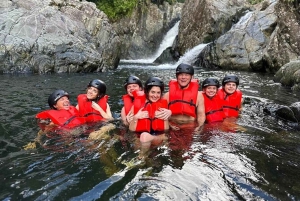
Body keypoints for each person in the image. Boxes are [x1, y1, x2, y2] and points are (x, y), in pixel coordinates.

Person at [129, 77, 170, 158]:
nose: (155, 95)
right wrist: (136, 117)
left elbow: (166, 130)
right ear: (147, 92)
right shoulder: (137, 105)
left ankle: (141, 158)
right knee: (140, 140)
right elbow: (131, 130)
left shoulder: (162, 106)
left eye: (158, 93)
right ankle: (147, 160)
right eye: (153, 92)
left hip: (158, 136)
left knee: (144, 136)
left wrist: (165, 117)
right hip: (139, 136)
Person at [162, 63, 205, 131]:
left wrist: (199, 127)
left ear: (192, 77)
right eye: (181, 74)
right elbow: (162, 115)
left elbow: (201, 115)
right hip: (172, 125)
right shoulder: (167, 95)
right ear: (177, 76)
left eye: (187, 75)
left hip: (190, 126)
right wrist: (169, 126)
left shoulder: (199, 96)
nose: (183, 77)